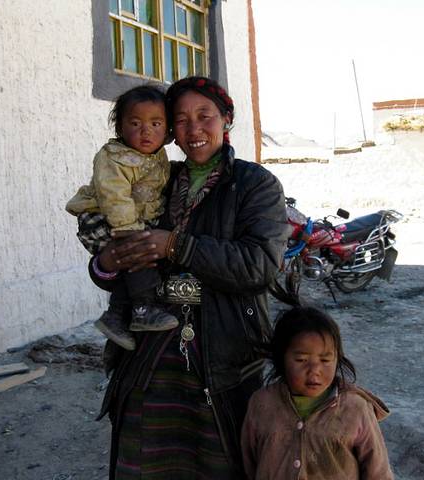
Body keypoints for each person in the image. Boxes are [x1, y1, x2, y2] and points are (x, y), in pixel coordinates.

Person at [89, 76, 291, 479]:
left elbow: (259, 265)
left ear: (226, 119)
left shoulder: (254, 185)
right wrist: (107, 261)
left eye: (205, 116)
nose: (193, 128)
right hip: (150, 353)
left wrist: (176, 246)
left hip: (221, 357)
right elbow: (117, 268)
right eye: (180, 119)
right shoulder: (154, 180)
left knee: (218, 466)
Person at [66, 85, 178, 351]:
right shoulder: (113, 157)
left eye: (155, 124)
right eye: (135, 123)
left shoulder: (157, 157)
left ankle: (116, 317)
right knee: (138, 253)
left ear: (168, 131)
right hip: (104, 218)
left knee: (133, 259)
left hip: (128, 220)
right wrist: (131, 231)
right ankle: (143, 309)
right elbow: (113, 195)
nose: (145, 131)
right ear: (120, 128)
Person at [241, 306, 394, 480]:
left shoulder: (356, 409)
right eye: (301, 360)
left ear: (337, 358)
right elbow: (249, 462)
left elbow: (378, 472)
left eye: (325, 360)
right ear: (281, 359)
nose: (314, 370)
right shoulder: (262, 404)